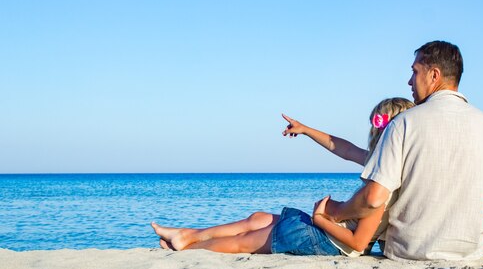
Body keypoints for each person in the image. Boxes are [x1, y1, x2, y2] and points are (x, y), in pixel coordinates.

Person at [313, 41, 483, 261]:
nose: (410, 81)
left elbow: (373, 198)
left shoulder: (404, 123)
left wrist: (335, 212)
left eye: (415, 72)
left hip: (412, 252)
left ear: (434, 75)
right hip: (472, 254)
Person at [151, 97, 414, 256]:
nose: (372, 132)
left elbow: (358, 244)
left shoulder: (384, 184)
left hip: (328, 239)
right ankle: (188, 235)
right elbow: (342, 148)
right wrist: (306, 129)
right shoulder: (380, 163)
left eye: (377, 128)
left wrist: (320, 219)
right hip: (328, 232)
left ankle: (186, 250)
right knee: (259, 219)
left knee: (244, 243)